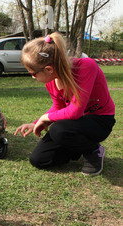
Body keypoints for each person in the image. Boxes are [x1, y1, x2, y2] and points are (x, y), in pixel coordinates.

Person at [14, 33, 116, 176]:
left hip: (100, 120)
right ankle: (79, 147)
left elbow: (75, 112)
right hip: (73, 126)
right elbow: (59, 107)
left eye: (33, 73)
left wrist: (45, 118)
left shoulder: (86, 66)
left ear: (49, 69)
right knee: (39, 159)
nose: (32, 77)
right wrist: (36, 122)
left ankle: (94, 151)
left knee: (58, 129)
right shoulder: (51, 81)